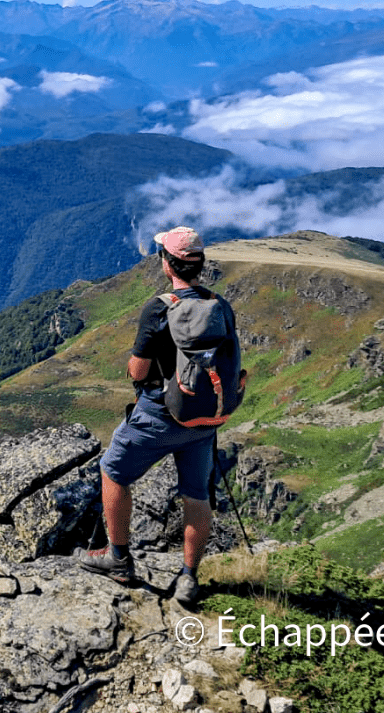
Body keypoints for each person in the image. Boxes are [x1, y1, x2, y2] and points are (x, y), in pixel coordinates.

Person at [80, 226, 241, 607]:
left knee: (113, 471)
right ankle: (188, 578)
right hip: (205, 419)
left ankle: (117, 558)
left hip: (159, 416)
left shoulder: (160, 307)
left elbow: (138, 372)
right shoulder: (220, 305)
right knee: (196, 495)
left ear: (167, 263)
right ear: (199, 264)